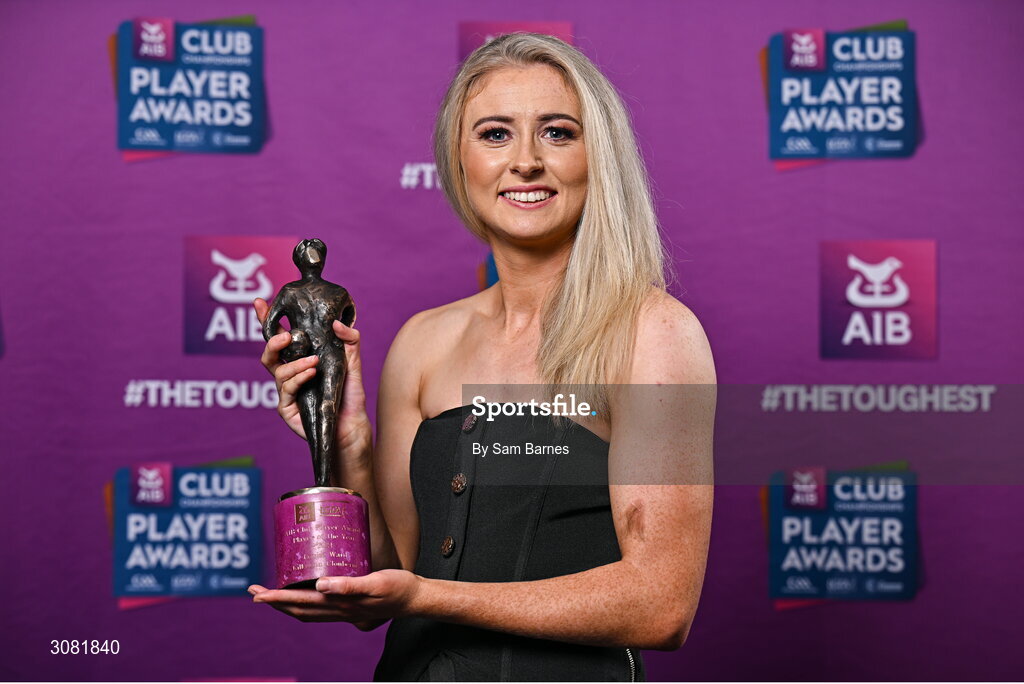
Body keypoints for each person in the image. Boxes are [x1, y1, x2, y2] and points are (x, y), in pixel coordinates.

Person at [248, 32, 715, 682]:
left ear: (597, 158)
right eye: (495, 134)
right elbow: (393, 570)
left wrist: (430, 599)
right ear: (458, 160)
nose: (524, 161)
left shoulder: (654, 333)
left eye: (557, 133)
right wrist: (350, 442)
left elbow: (662, 606)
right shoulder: (421, 342)